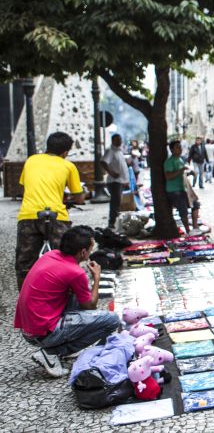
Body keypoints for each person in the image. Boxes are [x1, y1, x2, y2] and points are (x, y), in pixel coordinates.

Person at [14, 226, 120, 378]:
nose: (91, 252)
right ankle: (52, 352)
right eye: (91, 248)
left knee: (76, 293)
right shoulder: (75, 272)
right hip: (41, 333)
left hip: (28, 328)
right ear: (83, 252)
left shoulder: (50, 255)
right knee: (111, 320)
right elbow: (90, 306)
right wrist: (97, 277)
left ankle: (60, 345)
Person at [15, 132, 86, 290]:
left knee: (24, 264)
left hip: (29, 214)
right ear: (66, 152)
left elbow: (22, 188)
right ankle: (62, 297)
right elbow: (79, 198)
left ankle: (25, 299)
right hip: (56, 216)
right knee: (64, 260)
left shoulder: (31, 160)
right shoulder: (68, 166)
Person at [164, 140, 199, 236]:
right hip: (174, 190)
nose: (179, 149)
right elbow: (168, 176)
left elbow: (181, 173)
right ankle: (188, 230)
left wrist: (189, 173)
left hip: (183, 189)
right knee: (183, 210)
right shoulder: (169, 162)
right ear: (171, 149)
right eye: (177, 147)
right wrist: (182, 170)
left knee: (195, 204)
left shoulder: (180, 160)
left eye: (180, 147)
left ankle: (195, 228)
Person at [100, 133, 128, 229]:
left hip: (120, 181)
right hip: (114, 181)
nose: (120, 141)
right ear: (113, 140)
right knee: (115, 202)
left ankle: (116, 221)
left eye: (120, 139)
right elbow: (103, 162)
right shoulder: (110, 151)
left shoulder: (119, 151)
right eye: (117, 140)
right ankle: (112, 222)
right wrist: (111, 173)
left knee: (118, 202)